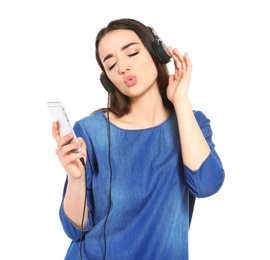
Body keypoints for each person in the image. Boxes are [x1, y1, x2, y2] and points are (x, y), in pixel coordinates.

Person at [51, 18, 225, 260]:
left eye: (132, 53)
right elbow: (75, 227)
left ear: (157, 52)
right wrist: (76, 179)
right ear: (107, 79)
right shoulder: (91, 131)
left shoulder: (191, 123)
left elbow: (206, 184)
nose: (123, 68)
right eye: (111, 65)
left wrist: (181, 103)